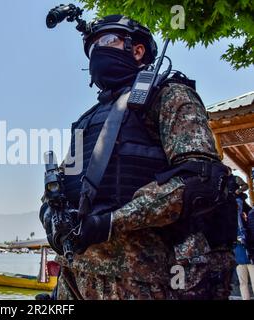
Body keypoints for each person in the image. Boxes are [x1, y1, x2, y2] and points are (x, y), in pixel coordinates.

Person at [40, 14, 237, 300]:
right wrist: (49, 217)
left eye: (106, 41)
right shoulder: (88, 120)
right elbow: (61, 184)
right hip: (76, 272)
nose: (97, 51)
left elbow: (198, 182)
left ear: (137, 50)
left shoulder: (168, 96)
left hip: (144, 277)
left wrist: (110, 222)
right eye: (91, 47)